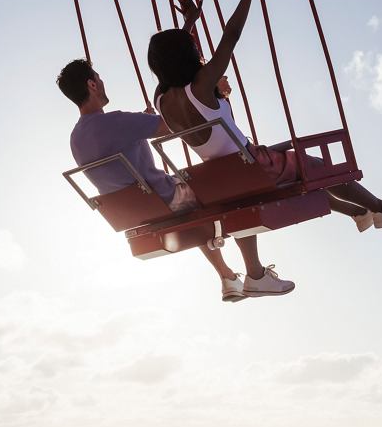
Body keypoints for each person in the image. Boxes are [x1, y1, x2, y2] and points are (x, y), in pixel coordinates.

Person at [149, 0, 382, 233]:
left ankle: (358, 213)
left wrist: (189, 24)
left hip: (223, 174)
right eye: (192, 46)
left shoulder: (161, 98)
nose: (197, 48)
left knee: (289, 163)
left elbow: (174, 59)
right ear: (186, 55)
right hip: (250, 165)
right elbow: (231, 36)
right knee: (316, 167)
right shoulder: (201, 87)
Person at [57, 58, 295, 300]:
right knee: (234, 181)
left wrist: (141, 123)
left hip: (141, 210)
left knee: (190, 194)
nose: (101, 80)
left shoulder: (76, 138)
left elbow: (120, 144)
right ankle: (255, 275)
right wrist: (217, 95)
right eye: (98, 77)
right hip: (167, 198)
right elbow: (177, 123)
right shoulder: (114, 122)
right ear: (92, 84)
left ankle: (226, 277)